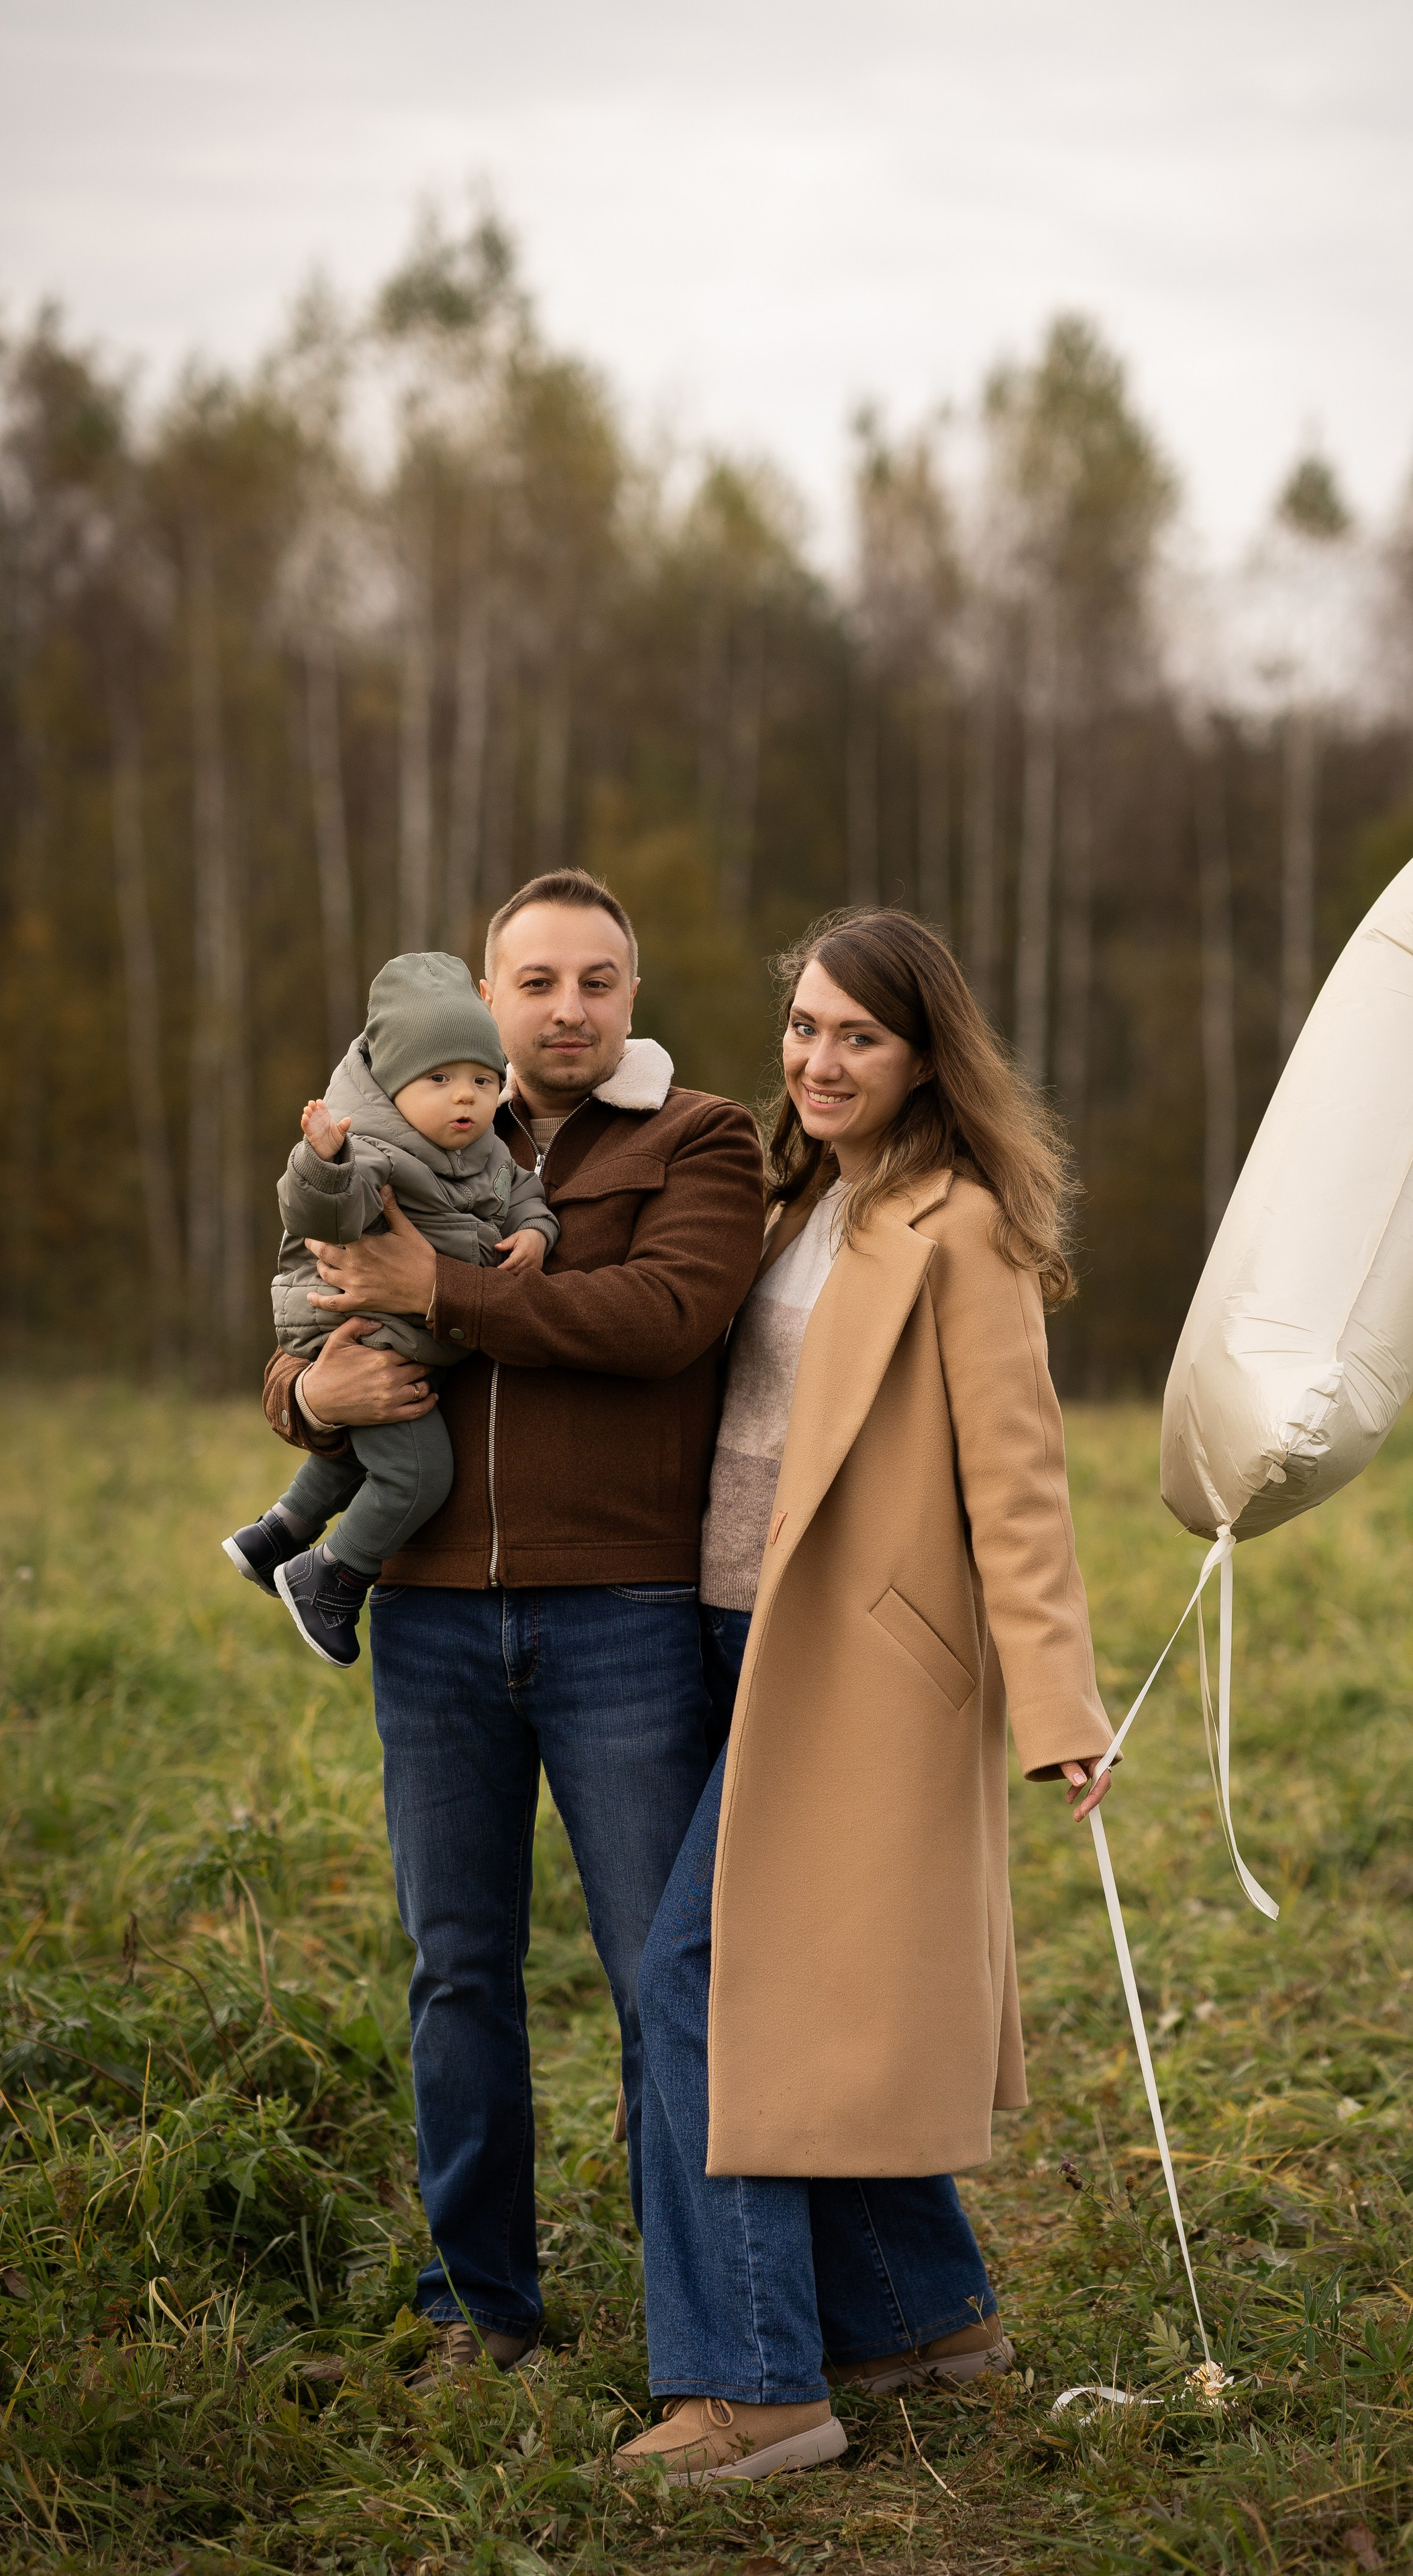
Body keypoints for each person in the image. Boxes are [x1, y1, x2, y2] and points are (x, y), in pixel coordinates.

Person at [616, 908, 1114, 2487]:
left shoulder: (960, 1229)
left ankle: (753, 2387)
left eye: (859, 1037)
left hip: (858, 1666)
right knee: (802, 1986)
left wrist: (1059, 1707)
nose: (819, 1060)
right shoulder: (788, 1202)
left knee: (702, 1983)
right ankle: (921, 2321)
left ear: (922, 1059)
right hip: (722, 1638)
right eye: (805, 1027)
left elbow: (1016, 1484)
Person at [258, 869, 764, 2385]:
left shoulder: (699, 1139)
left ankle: (710, 2331)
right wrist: (309, 1394)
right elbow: (307, 1311)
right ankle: (476, 2311)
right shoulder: (393, 1137)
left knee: (660, 1978)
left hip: (622, 1615)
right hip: (425, 1621)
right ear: (484, 995)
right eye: (535, 981)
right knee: (457, 1971)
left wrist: (444, 1286)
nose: (567, 1009)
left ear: (632, 994)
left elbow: (660, 1320)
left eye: (597, 980)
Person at [225, 951, 558, 1668]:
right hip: (361, 1331)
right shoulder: (372, 1149)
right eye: (439, 1079)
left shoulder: (485, 1151)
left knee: (367, 1451)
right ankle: (332, 1576)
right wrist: (325, 1162)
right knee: (417, 1473)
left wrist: (535, 1232)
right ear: (393, 1084)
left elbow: (523, 1192)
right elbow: (327, 1216)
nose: (464, 1097)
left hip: (410, 1337)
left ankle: (277, 1533)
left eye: (481, 1080)